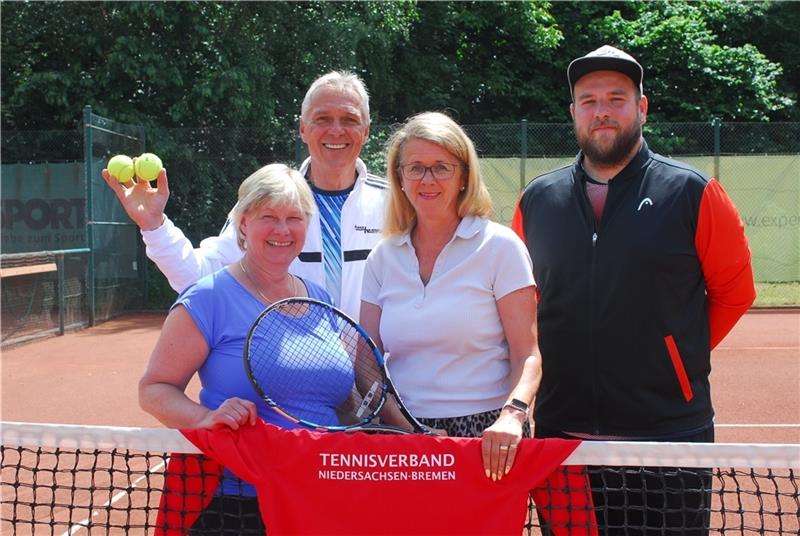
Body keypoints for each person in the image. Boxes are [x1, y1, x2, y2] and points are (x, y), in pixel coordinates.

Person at [512, 45, 756, 534]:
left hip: (669, 436)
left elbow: (735, 292)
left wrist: (671, 357)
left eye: (616, 98)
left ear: (641, 107)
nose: (601, 110)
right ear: (573, 112)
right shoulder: (537, 199)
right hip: (564, 437)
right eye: (589, 100)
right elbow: (522, 303)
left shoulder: (692, 192)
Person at [140, 163, 343, 534]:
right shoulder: (208, 297)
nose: (282, 230)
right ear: (244, 223)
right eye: (269, 217)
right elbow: (154, 389)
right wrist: (204, 418)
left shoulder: (320, 299)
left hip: (318, 494)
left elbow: (346, 398)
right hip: (236, 503)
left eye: (294, 218)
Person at [102, 70, 386, 320]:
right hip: (291, 365)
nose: (336, 130)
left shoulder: (394, 203)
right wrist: (154, 225)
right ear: (302, 128)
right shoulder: (266, 200)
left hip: (372, 365)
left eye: (349, 119)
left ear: (366, 131)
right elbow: (198, 276)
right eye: (322, 119)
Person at [360, 112, 542, 482]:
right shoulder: (382, 257)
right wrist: (405, 426)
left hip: (488, 437)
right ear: (400, 178)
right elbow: (366, 360)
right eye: (416, 168)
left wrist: (512, 415)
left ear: (463, 177)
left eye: (441, 167)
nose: (428, 180)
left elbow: (528, 355)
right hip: (403, 436)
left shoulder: (501, 247)